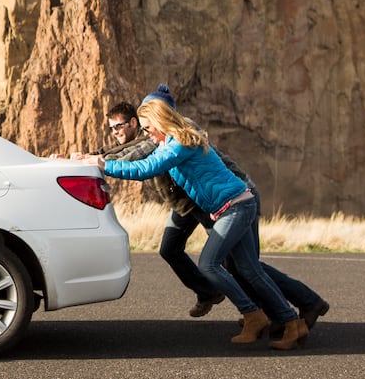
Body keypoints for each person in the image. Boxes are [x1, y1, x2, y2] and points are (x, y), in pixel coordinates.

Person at [81, 98, 308, 350]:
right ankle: (290, 322)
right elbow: (133, 154)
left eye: (147, 128)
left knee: (210, 264)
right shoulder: (167, 142)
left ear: (159, 123)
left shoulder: (180, 144)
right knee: (249, 269)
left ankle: (253, 314)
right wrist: (94, 158)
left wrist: (103, 165)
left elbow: (146, 167)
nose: (146, 134)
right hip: (231, 206)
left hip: (236, 206)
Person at [115, 87, 330, 333]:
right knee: (226, 261)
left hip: (232, 198)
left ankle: (288, 309)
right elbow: (131, 153)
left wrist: (96, 161)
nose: (117, 131)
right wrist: (95, 157)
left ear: (159, 115)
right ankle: (242, 304)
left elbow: (140, 158)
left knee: (241, 265)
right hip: (199, 203)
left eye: (120, 126)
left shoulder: (181, 132)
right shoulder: (161, 135)